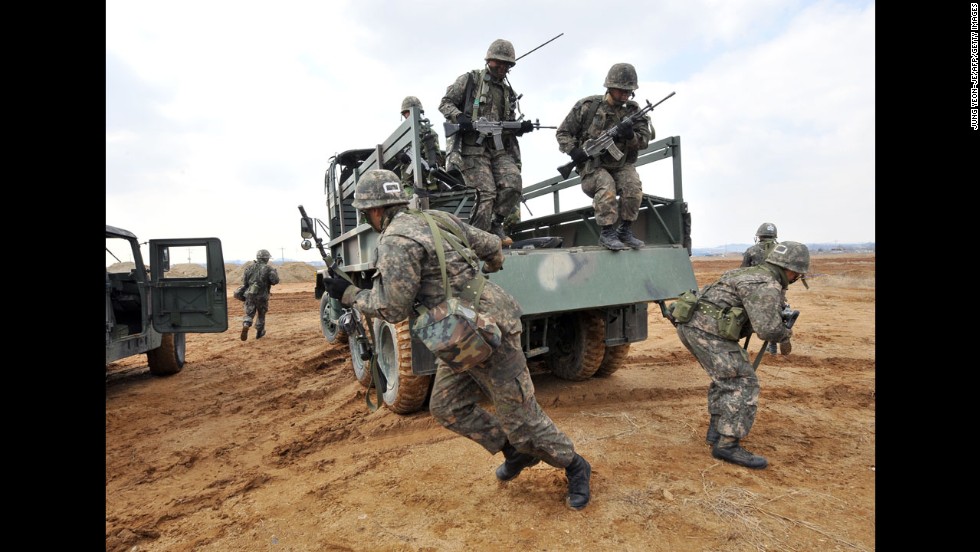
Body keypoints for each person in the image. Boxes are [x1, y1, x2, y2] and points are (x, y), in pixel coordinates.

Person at [321, 169, 592, 510]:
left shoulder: (394, 241)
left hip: (488, 331)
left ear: (375, 211)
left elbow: (391, 308)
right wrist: (484, 273)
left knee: (523, 420)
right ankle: (515, 453)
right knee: (447, 406)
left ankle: (575, 465)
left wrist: (348, 294)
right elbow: (492, 246)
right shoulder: (439, 218)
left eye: (365, 213)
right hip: (456, 335)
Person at [674, 241, 810, 469]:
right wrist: (785, 330)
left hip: (691, 326)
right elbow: (768, 329)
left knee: (726, 378)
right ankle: (727, 445)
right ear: (792, 270)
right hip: (706, 332)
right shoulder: (767, 284)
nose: (797, 278)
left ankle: (717, 434)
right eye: (798, 274)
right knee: (742, 382)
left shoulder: (747, 272)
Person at [438, 38, 535, 243]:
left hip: (498, 149)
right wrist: (460, 118)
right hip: (472, 149)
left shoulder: (508, 93)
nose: (501, 67)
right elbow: (445, 103)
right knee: (486, 194)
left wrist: (520, 127)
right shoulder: (470, 80)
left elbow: (507, 123)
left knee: (513, 184)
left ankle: (495, 224)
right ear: (488, 60)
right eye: (497, 62)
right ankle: (476, 240)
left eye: (506, 64)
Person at [555, 63, 653, 251]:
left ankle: (625, 229)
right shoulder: (588, 107)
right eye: (621, 90)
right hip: (593, 166)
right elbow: (563, 133)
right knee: (606, 186)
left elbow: (644, 141)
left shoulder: (633, 111)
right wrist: (574, 152)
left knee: (633, 187)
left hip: (621, 164)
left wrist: (630, 135)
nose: (625, 95)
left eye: (629, 91)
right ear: (610, 87)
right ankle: (607, 232)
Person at [741, 222, 786, 355]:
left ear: (759, 236)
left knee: (748, 315)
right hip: (776, 289)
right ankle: (775, 344)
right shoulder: (781, 250)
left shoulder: (751, 250)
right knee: (777, 314)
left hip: (756, 290)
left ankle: (739, 345)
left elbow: (743, 271)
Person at [397, 96, 446, 194]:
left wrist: (426, 162)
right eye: (406, 113)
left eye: (409, 112)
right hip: (409, 182)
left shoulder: (428, 133)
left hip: (426, 182)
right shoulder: (401, 134)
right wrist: (401, 156)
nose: (408, 116)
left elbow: (437, 158)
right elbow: (393, 155)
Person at [239, 249, 280, 341]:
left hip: (249, 294)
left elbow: (245, 283)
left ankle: (246, 324)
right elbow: (275, 281)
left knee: (249, 313)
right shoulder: (269, 268)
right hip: (262, 296)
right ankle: (259, 333)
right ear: (266, 258)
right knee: (261, 314)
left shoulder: (248, 268)